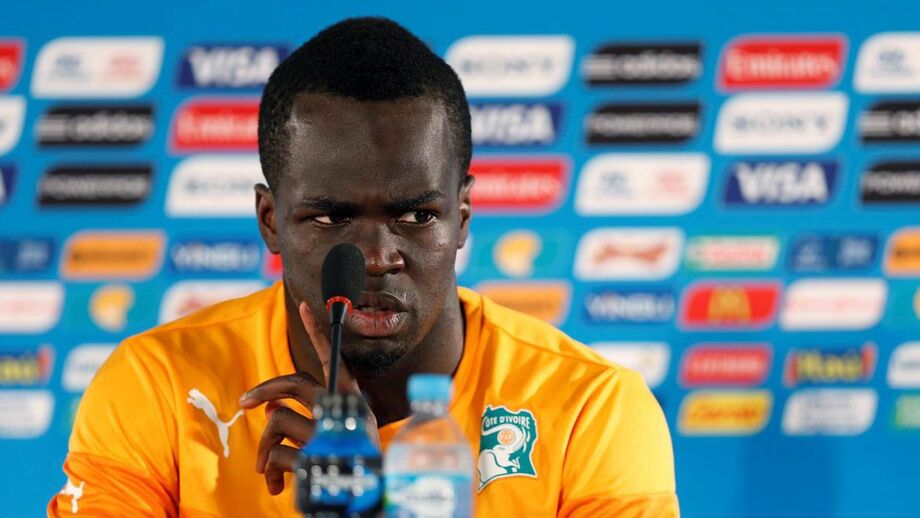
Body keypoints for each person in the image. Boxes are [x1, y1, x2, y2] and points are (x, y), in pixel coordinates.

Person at [48, 17, 679, 517]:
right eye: (330, 218)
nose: (377, 257)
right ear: (270, 220)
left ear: (462, 217)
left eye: (417, 216)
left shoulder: (591, 407)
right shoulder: (161, 384)